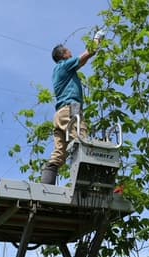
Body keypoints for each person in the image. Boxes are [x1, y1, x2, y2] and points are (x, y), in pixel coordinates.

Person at [41, 30, 105, 185]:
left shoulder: (60, 71)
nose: (71, 52)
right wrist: (97, 39)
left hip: (60, 114)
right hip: (71, 109)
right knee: (81, 142)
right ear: (63, 55)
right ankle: (82, 186)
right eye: (68, 50)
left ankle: (44, 187)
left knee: (59, 153)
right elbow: (86, 55)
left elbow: (82, 61)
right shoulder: (63, 66)